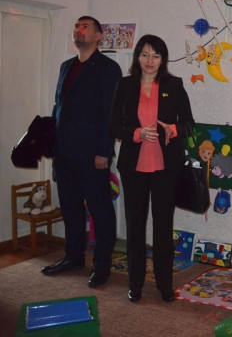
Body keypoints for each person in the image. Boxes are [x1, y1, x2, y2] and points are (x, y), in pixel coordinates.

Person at [109, 34, 194, 303]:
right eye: (145, 54)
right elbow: (113, 125)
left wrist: (172, 129)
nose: (150, 61)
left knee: (163, 226)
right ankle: (134, 285)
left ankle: (164, 285)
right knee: (135, 227)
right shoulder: (125, 85)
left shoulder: (174, 85)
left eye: (155, 56)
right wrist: (136, 134)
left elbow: (189, 124)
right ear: (137, 57)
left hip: (165, 167)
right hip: (133, 167)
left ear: (162, 59)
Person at [43, 16, 122, 289]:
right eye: (76, 26)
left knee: (101, 212)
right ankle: (74, 257)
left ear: (99, 36)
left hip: (92, 155)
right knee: (70, 209)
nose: (79, 30)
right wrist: (51, 143)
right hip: (64, 153)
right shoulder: (66, 66)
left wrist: (104, 151)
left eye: (85, 27)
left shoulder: (108, 68)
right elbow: (59, 106)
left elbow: (110, 113)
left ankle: (102, 265)